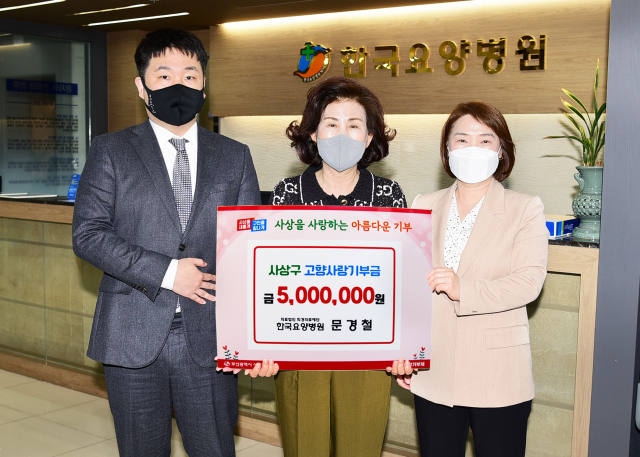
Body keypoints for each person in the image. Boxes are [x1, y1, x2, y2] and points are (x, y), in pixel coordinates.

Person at [72, 28, 276, 457]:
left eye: (190, 74)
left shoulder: (234, 155)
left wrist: (257, 337)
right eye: (164, 75)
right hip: (131, 334)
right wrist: (167, 273)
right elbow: (88, 234)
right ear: (141, 85)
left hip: (210, 337)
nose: (178, 85)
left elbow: (251, 250)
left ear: (204, 83)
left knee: (214, 448)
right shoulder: (110, 150)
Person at [388, 101, 548, 457]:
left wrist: (464, 289)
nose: (472, 148)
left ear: (501, 150)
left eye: (485, 140)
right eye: (462, 139)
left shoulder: (525, 208)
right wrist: (405, 351)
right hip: (434, 370)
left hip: (498, 374)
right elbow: (407, 288)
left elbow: (529, 281)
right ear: (447, 148)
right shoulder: (422, 204)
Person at [270, 76, 406, 457]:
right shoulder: (287, 194)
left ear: (369, 136)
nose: (342, 134)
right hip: (300, 349)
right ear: (313, 133)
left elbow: (403, 279)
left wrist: (407, 344)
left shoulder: (388, 196)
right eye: (331, 124)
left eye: (354, 125)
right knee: (305, 447)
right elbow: (269, 276)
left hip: (368, 351)